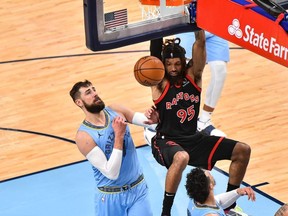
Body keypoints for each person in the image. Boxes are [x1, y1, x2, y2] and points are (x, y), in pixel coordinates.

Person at [145, 30, 251, 216]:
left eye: (177, 63)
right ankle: (165, 212)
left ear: (184, 62)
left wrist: (199, 21)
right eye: (168, 64)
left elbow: (200, 42)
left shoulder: (194, 76)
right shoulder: (160, 82)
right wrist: (159, 26)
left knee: (243, 150)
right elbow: (154, 52)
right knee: (181, 157)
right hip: (166, 140)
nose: (173, 68)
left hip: (193, 139)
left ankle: (228, 206)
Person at [69, 80, 154, 216]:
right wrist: (118, 135)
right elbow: (111, 173)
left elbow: (147, 121)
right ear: (79, 102)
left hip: (138, 189)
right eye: (88, 92)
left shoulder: (116, 110)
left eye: (94, 89)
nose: (95, 94)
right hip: (110, 197)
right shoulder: (84, 136)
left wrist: (152, 119)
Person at [176, 31, 229, 137]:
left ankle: (204, 121)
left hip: (214, 25)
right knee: (184, 74)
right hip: (191, 28)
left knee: (220, 70)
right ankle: (167, 121)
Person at [185, 167, 256, 216]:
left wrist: (237, 192)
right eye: (208, 174)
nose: (209, 172)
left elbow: (218, 201)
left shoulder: (195, 200)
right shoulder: (211, 215)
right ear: (210, 185)